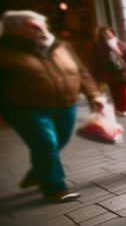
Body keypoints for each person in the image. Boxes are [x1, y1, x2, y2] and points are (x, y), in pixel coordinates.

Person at [0, 10, 105, 202]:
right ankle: (55, 188)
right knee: (46, 143)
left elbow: (81, 72)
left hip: (66, 104)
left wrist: (94, 96)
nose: (42, 29)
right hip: (26, 108)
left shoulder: (61, 46)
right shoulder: (5, 50)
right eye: (33, 26)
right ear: (14, 30)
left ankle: (39, 170)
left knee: (58, 142)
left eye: (42, 24)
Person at [92, 26, 126, 116]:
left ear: (112, 32)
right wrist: (95, 74)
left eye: (108, 33)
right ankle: (118, 109)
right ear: (101, 36)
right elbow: (95, 61)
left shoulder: (120, 44)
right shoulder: (99, 46)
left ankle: (125, 108)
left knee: (123, 90)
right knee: (114, 91)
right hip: (108, 71)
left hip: (121, 71)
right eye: (104, 34)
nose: (107, 35)